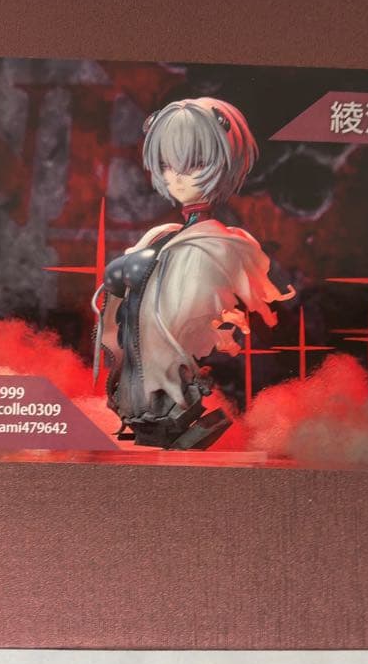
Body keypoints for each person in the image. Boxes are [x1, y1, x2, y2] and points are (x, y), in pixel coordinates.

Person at [92, 97, 295, 449]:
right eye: (167, 164)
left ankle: (161, 414)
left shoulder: (218, 244)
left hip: (170, 391)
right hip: (137, 385)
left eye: (195, 164)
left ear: (222, 163)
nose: (177, 176)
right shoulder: (163, 236)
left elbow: (185, 321)